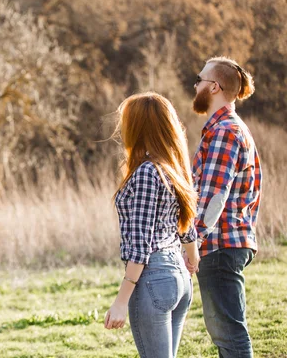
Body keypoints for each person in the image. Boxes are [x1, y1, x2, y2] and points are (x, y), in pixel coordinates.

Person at [104, 92, 200, 358]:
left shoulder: (147, 172)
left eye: (126, 122)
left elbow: (140, 244)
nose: (122, 129)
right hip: (178, 278)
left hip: (154, 279)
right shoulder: (172, 167)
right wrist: (192, 256)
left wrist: (121, 301)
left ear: (139, 127)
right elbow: (186, 221)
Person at [189, 56, 262, 357]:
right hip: (226, 245)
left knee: (230, 336)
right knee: (228, 335)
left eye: (200, 80)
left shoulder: (224, 131)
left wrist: (192, 241)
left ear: (214, 87)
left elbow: (213, 197)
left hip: (220, 246)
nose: (196, 86)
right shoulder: (225, 128)